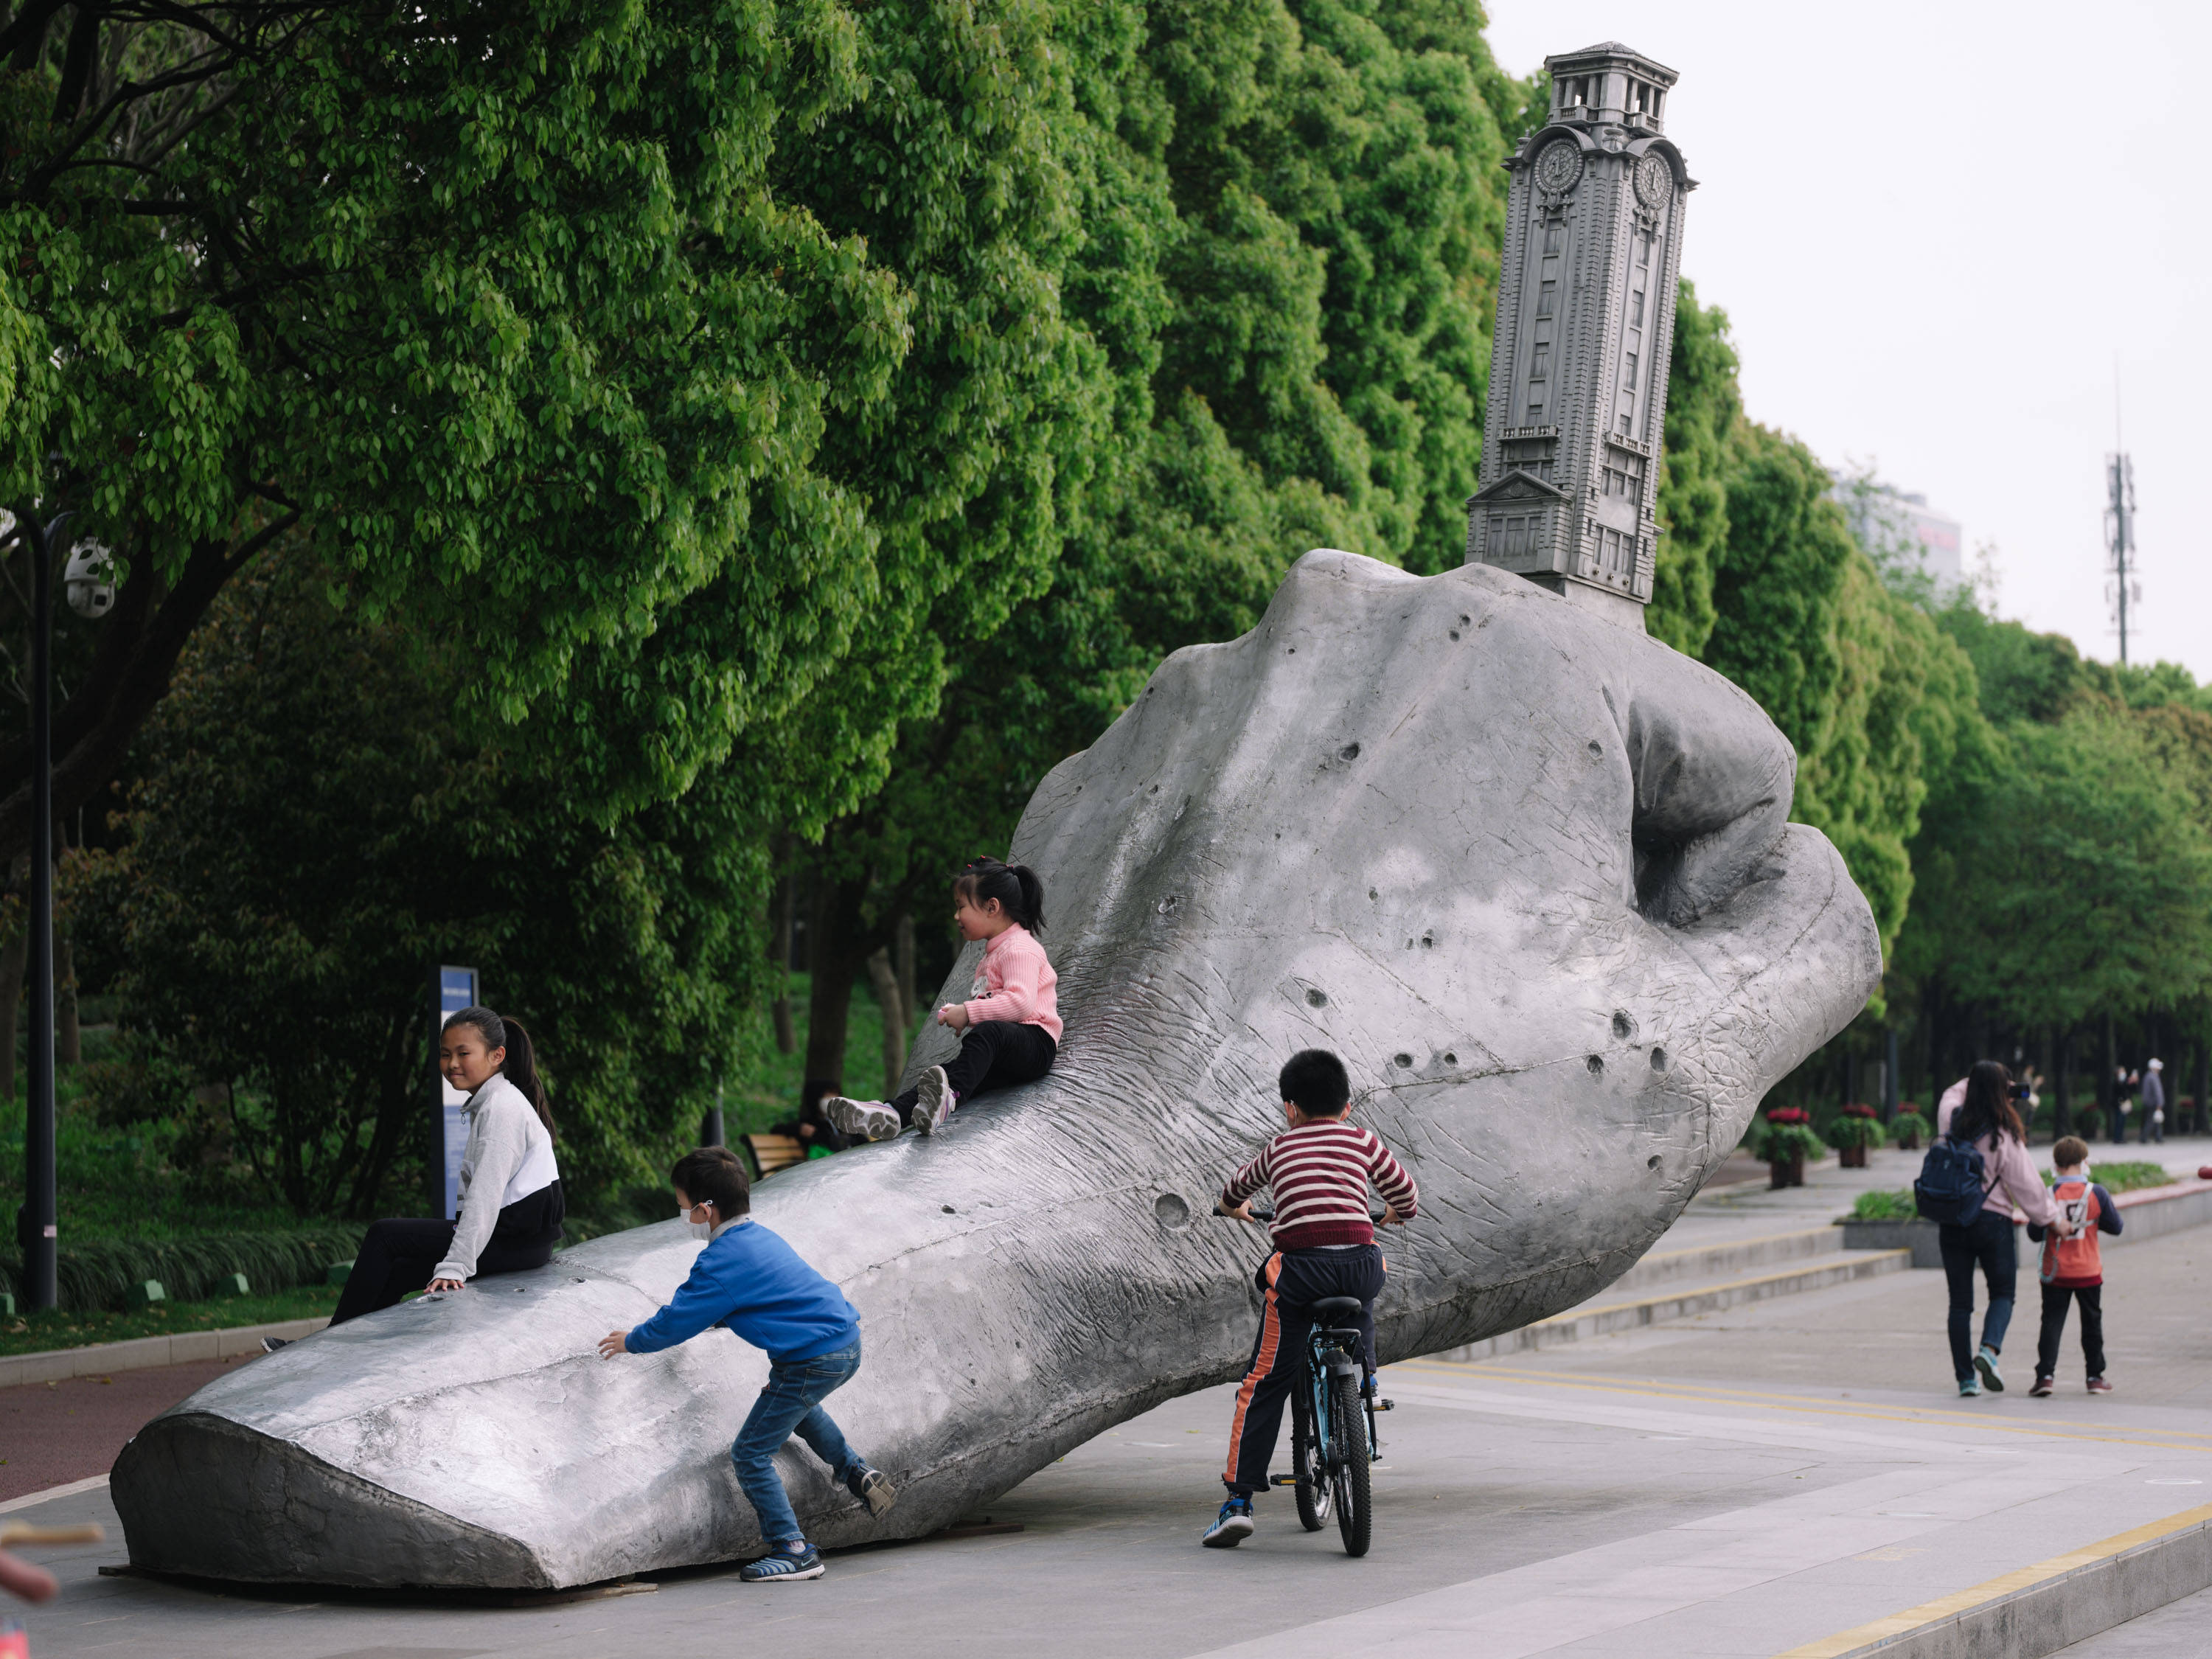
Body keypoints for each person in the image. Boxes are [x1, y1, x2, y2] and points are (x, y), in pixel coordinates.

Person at [596, 1147, 894, 1582]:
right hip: (843, 1342)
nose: (681, 1214)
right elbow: (760, 1292)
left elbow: (675, 1322)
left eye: (682, 1205)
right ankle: (854, 1470)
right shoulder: (759, 1237)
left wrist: (632, 1341)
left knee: (751, 1453)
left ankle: (794, 1549)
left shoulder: (719, 1262)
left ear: (704, 1210)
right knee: (798, 1409)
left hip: (812, 1358)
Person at [1203, 1048, 1418, 1549]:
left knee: (1263, 1382)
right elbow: (1406, 1196)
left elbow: (1234, 1190)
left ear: (1290, 1108)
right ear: (1347, 1107)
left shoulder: (1279, 1149)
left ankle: (1238, 1503)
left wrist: (1234, 1208)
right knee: (1368, 1267)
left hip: (1300, 1273)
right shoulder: (1364, 1141)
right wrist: (1389, 1214)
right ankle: (1365, 1375)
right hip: (1358, 1270)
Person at [308, 1006, 565, 1338]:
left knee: (384, 1234)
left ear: (497, 1055)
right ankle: (358, 1344)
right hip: (519, 1241)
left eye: (463, 1053)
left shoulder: (501, 1110)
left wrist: (457, 1264)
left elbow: (484, 1199)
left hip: (515, 1244)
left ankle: (330, 1343)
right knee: (400, 1270)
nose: (452, 1064)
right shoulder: (495, 1101)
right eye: (445, 1054)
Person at [824, 859, 1058, 1141]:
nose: (956, 916)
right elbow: (994, 1005)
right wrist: (964, 1015)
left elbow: (1021, 1004)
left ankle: (950, 1098)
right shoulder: (992, 954)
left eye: (961, 907)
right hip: (1004, 1052)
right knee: (950, 1069)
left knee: (986, 1037)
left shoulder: (1020, 948)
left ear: (991, 907)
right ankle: (893, 1114)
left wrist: (969, 1012)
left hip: (1035, 1044)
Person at [1935, 1062, 2070, 1397]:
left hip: (1953, 1222)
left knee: (1960, 1305)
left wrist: (1980, 1081)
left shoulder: (1950, 1119)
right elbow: (2029, 1187)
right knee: (2003, 1294)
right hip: (1993, 1223)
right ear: (2002, 1093)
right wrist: (2054, 1220)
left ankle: (1966, 1380)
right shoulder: (2003, 1134)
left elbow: (1951, 1092)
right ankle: (1989, 1351)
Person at [2026, 1135, 2122, 1397]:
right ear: (2083, 1161)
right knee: (2092, 1323)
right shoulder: (2096, 1193)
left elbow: (2034, 1234)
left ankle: (2045, 1376)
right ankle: (2095, 1376)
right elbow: (2117, 1227)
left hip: (2055, 1272)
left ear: (2056, 1164)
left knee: (2051, 1322)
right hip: (2088, 1271)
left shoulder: (2048, 1195)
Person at [771, 1079, 850, 1156]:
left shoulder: (841, 1122)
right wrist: (799, 1129)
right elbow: (776, 1130)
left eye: (835, 1094)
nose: (832, 1098)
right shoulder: (810, 1124)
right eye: (827, 1095)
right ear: (816, 1098)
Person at [2140, 1058, 2166, 1145]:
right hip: (2153, 1103)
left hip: (2149, 1102)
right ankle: (2144, 1137)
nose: (2159, 1069)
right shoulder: (2153, 1077)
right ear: (2154, 1068)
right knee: (2151, 1120)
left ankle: (2158, 1137)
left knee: (2156, 1120)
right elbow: (2157, 1091)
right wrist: (2159, 1103)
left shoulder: (2148, 1076)